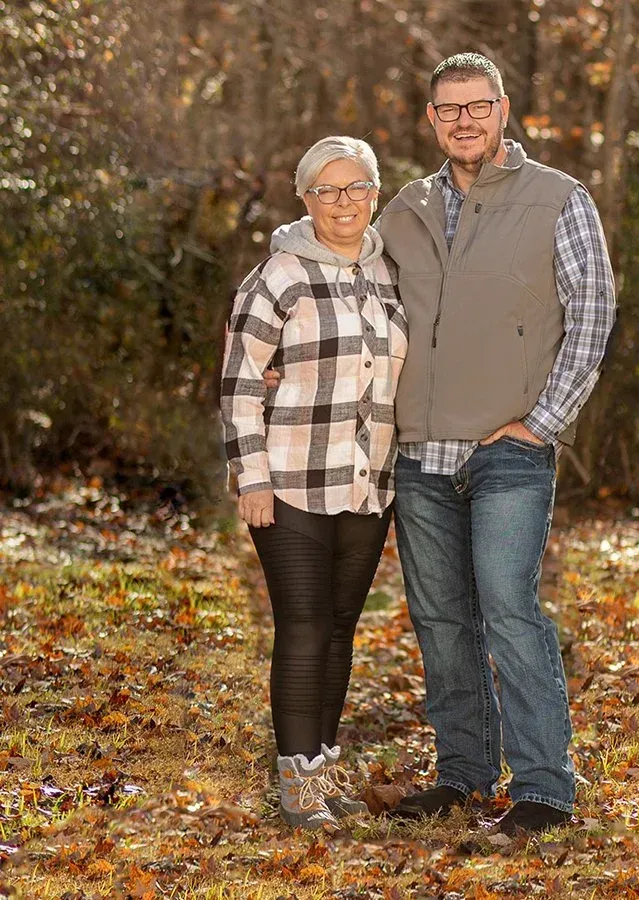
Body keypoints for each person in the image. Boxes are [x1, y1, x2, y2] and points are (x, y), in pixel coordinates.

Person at [375, 52, 617, 835]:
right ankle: (463, 774)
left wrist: (544, 422)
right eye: (449, 110)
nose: (464, 121)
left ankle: (544, 788)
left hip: (508, 450)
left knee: (511, 611)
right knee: (441, 619)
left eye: (477, 106)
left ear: (503, 110)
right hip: (419, 453)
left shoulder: (559, 198)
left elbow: (592, 315)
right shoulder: (402, 209)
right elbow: (359, 305)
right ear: (431, 120)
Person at [220, 136, 407, 830]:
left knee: (340, 627)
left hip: (367, 480)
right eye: (327, 190)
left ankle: (321, 773)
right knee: (302, 627)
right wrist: (251, 476)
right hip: (292, 479)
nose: (343, 202)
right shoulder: (277, 277)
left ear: (376, 192)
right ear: (305, 198)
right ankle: (297, 788)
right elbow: (240, 384)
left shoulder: (390, 273)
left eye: (356, 187)